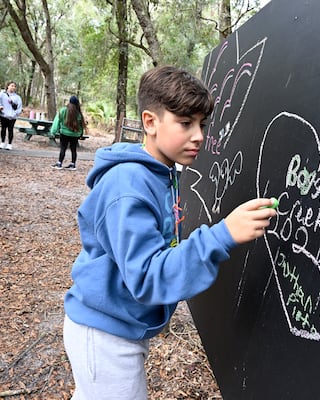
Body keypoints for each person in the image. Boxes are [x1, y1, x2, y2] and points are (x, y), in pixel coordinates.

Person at [62, 65, 277, 399]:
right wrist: (222, 235)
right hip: (105, 335)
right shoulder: (128, 188)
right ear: (150, 122)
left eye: (202, 125)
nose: (199, 136)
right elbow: (147, 276)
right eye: (185, 123)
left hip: (121, 326)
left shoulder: (163, 173)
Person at [51, 96, 85, 170]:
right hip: (75, 135)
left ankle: (59, 163)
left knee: (63, 148)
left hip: (64, 133)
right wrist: (81, 134)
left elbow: (57, 121)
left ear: (69, 102)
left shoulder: (63, 110)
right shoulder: (78, 113)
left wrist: (53, 131)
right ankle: (73, 164)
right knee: (73, 149)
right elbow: (81, 126)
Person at [0, 81, 23, 150]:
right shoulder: (2, 94)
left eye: (14, 86)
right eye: (12, 86)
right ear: (8, 86)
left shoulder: (17, 97)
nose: (13, 87)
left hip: (12, 117)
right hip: (3, 115)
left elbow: (19, 107)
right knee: (3, 129)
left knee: (10, 130)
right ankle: (2, 143)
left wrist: (15, 114)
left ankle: (9, 144)